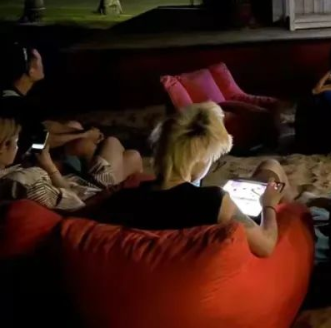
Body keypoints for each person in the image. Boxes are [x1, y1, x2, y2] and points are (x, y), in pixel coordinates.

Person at [93, 103, 294, 258]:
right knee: (272, 167)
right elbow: (266, 246)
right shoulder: (213, 201)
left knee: (265, 170)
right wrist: (268, 205)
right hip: (242, 263)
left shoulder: (123, 200)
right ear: (201, 158)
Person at [0, 42, 142, 184]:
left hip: (34, 163)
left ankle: (108, 175)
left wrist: (78, 131)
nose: (43, 64)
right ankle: (109, 185)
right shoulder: (19, 107)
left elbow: (42, 127)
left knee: (75, 128)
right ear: (31, 70)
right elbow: (41, 142)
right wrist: (83, 135)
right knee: (126, 152)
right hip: (39, 170)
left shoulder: (8, 96)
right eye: (39, 60)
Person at [0, 116, 111, 211]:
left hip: (76, 183)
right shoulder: (27, 182)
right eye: (16, 142)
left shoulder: (9, 172)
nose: (17, 147)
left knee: (74, 126)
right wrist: (49, 166)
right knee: (111, 142)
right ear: (4, 145)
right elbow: (77, 203)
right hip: (94, 195)